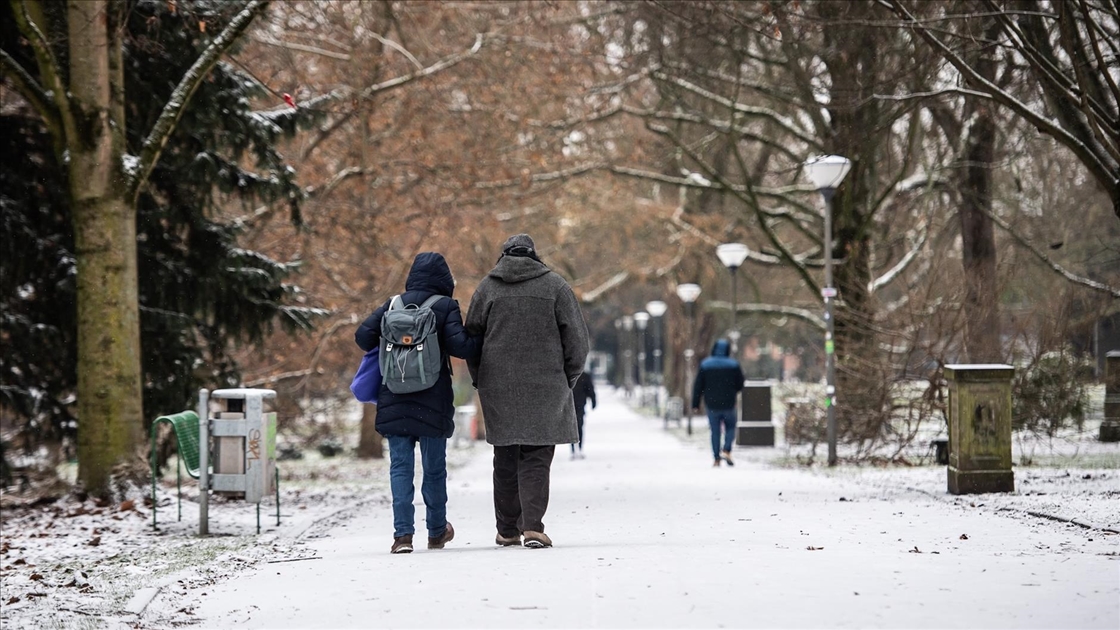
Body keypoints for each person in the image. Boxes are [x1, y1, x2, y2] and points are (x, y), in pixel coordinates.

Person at [466, 234, 589, 549]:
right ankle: (533, 527)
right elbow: (577, 340)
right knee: (536, 455)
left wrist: (480, 377)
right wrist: (568, 378)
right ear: (535, 255)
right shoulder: (556, 287)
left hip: (498, 385)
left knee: (505, 454)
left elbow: (472, 339)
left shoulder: (487, 288)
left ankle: (507, 529)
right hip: (546, 385)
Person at [355, 252, 481, 554]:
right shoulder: (445, 306)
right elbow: (461, 347)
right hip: (432, 400)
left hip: (394, 397)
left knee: (400, 467)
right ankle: (437, 531)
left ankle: (402, 536)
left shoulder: (392, 304)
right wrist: (482, 336)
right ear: (443, 280)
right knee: (434, 468)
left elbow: (362, 337)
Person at [691, 339, 744, 467]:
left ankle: (716, 458)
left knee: (715, 431)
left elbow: (698, 386)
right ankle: (726, 449)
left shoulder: (705, 365)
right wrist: (732, 391)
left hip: (711, 403)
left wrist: (695, 404)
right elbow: (740, 383)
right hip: (729, 402)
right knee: (730, 427)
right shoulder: (733, 365)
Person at [571, 371, 596, 459]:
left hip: (578, 405)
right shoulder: (581, 376)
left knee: (577, 427)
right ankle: (574, 450)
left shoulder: (584, 376)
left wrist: (593, 401)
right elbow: (590, 390)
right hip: (571, 406)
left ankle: (579, 449)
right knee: (574, 428)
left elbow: (590, 389)